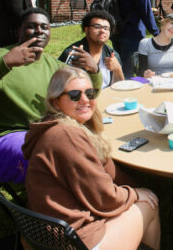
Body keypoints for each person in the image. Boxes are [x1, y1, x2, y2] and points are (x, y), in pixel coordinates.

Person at [23, 67, 161, 250]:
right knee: (148, 205)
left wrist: (131, 184)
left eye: (90, 93)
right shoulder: (66, 136)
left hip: (47, 233)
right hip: (73, 242)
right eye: (74, 95)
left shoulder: (55, 127)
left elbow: (107, 173)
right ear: (56, 102)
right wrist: (136, 194)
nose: (85, 100)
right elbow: (104, 199)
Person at [0, 8, 102, 184]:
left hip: (52, 133)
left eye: (45, 27)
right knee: (57, 155)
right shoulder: (1, 57)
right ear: (18, 31)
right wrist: (6, 63)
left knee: (91, 144)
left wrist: (94, 69)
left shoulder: (54, 65)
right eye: (32, 26)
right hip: (10, 135)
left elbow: (89, 95)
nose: (39, 31)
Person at [59, 10, 124, 89]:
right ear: (86, 30)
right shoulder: (73, 54)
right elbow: (60, 86)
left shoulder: (112, 55)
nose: (102, 31)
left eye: (106, 28)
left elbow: (120, 88)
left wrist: (117, 69)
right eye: (97, 27)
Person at [112, 0, 159, 79]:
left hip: (116, 31)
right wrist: (156, 32)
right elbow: (146, 11)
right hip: (132, 34)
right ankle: (129, 92)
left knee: (120, 68)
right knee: (129, 70)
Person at [137, 13, 173, 77]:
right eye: (172, 23)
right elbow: (140, 73)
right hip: (154, 83)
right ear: (164, 22)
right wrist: (145, 75)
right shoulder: (145, 43)